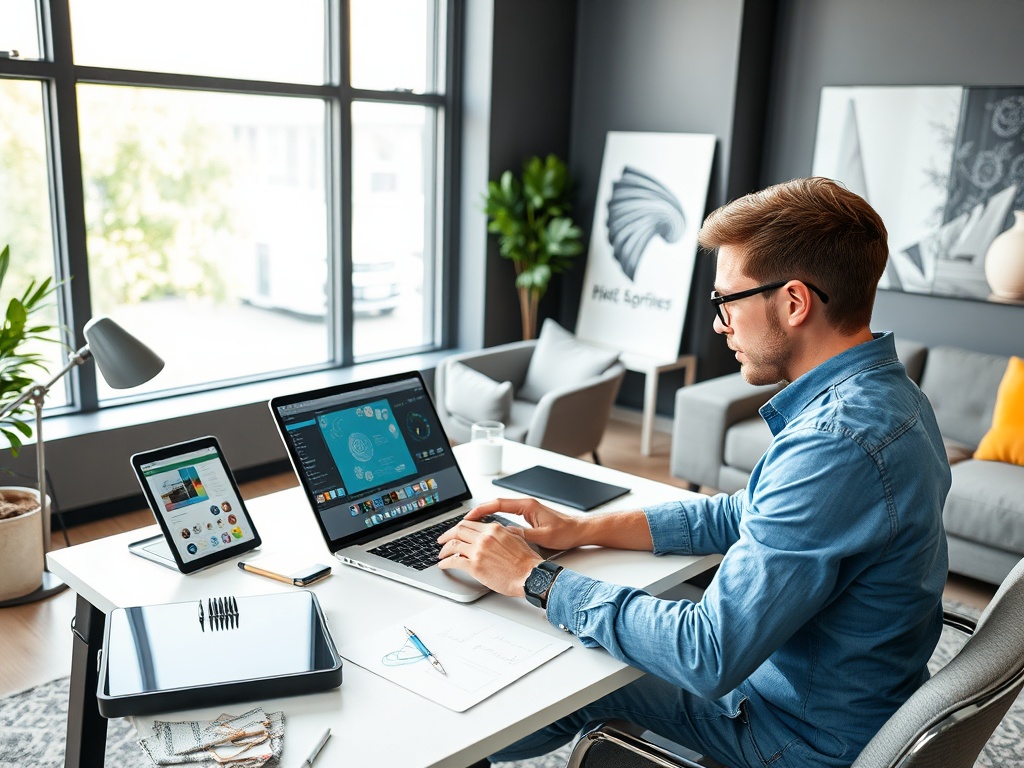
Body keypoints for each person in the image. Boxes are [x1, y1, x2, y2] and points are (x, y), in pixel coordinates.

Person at [437, 177, 952, 767]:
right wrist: (583, 529)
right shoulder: (890, 396)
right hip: (846, 704)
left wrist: (534, 578)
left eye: (726, 301)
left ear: (794, 302)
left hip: (796, 737)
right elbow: (742, 513)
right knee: (597, 628)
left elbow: (707, 653)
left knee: (578, 670)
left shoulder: (835, 444)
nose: (718, 324)